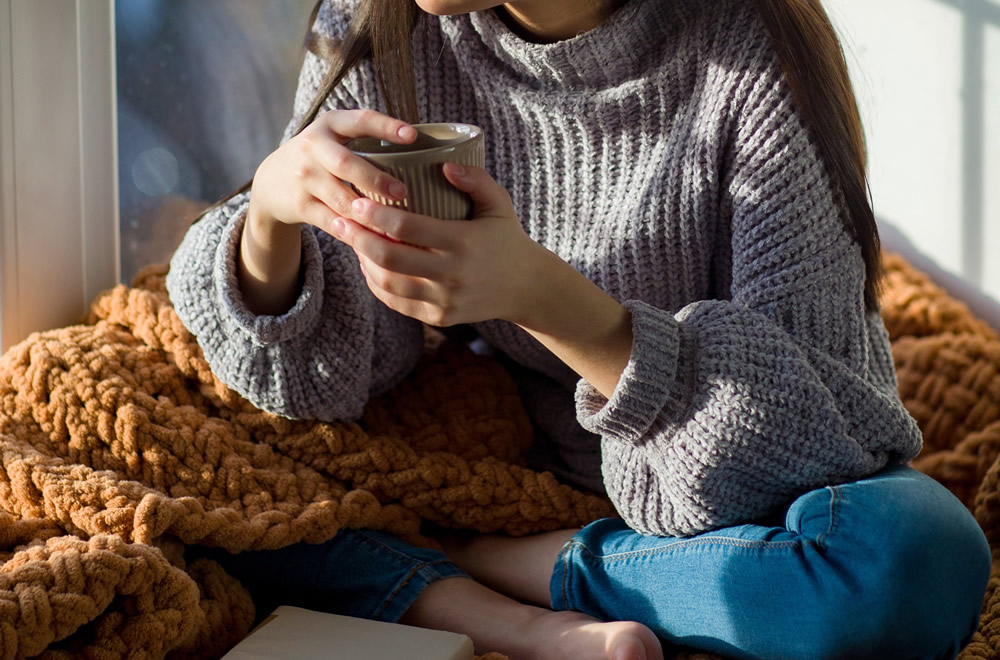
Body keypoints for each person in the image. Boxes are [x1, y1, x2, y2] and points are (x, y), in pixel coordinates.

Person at [167, 0, 992, 657]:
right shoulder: (381, 23)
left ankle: (484, 564)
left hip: (722, 493)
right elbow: (336, 372)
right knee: (191, 476)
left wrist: (546, 297)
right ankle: (516, 621)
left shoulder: (750, 53)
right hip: (492, 445)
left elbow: (821, 435)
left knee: (914, 559)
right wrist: (271, 217)